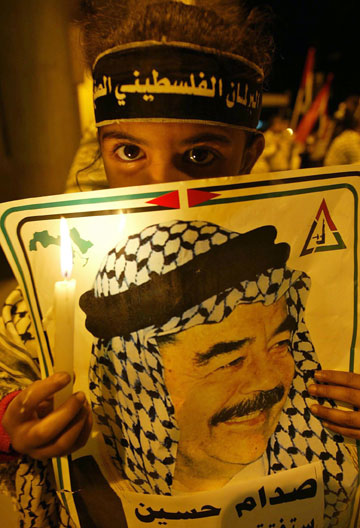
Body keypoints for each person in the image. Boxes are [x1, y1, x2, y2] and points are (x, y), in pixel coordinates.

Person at [0, 0, 359, 526]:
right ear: (102, 148)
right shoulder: (44, 298)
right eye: (129, 153)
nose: (161, 185)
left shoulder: (333, 280)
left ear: (249, 153)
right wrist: (18, 428)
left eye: (198, 156)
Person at [79, 220, 357, 526]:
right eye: (230, 361)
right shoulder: (90, 496)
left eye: (279, 345)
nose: (269, 380)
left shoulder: (340, 476)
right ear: (138, 377)